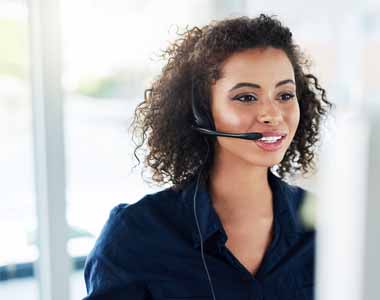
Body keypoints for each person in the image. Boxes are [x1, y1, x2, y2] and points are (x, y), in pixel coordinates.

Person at [83, 13, 334, 300]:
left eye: (285, 95)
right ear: (202, 112)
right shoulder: (136, 234)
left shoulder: (328, 226)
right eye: (247, 97)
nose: (273, 114)